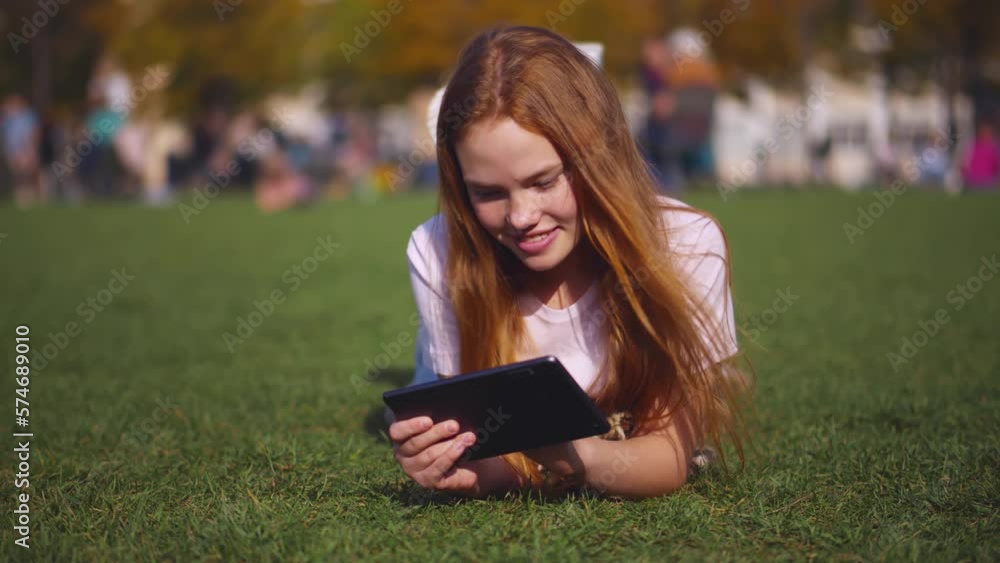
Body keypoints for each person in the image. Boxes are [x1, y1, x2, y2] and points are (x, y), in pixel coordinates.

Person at [387, 26, 750, 500]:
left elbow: (670, 456)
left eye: (543, 181)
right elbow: (497, 460)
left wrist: (581, 459)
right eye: (489, 193)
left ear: (597, 159)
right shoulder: (438, 251)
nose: (521, 218)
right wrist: (469, 472)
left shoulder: (685, 244)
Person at [961, 122, 999, 191]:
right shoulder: (974, 146)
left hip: (987, 180)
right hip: (975, 180)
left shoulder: (993, 148)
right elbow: (965, 165)